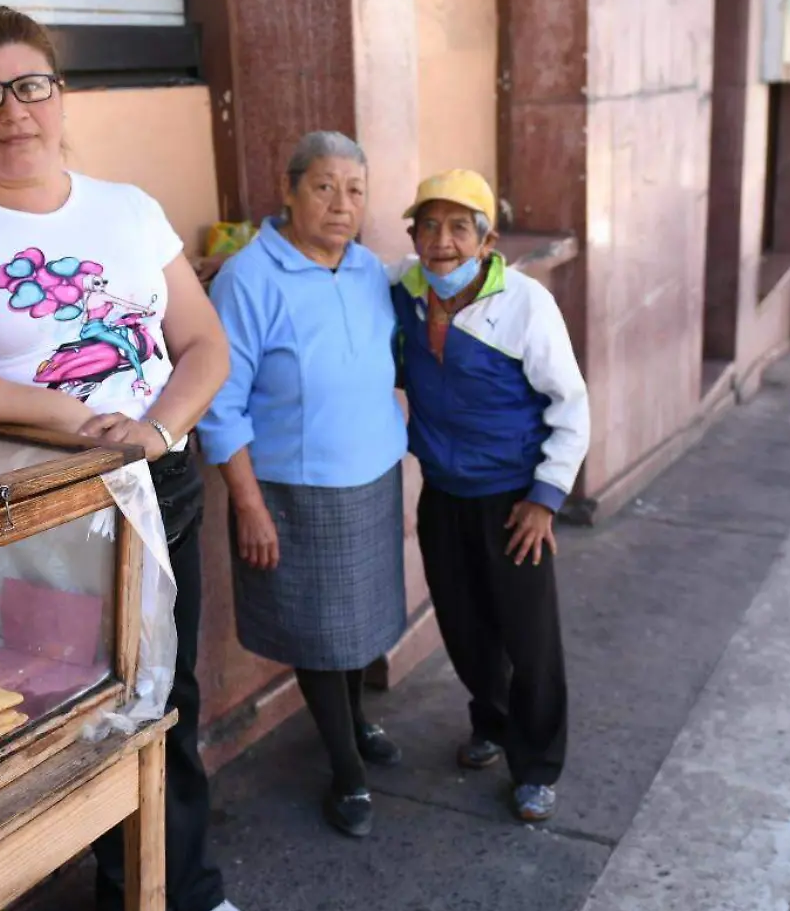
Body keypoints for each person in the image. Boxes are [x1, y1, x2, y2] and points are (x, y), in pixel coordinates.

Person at [0, 4, 254, 911]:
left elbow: (204, 343)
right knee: (71, 701)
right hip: (36, 506)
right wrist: (71, 420)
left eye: (30, 86)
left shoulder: (126, 208)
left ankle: (177, 883)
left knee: (171, 690)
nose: (13, 112)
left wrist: (158, 429)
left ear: (59, 93)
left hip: (155, 482)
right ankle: (123, 893)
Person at [198, 132, 409, 839]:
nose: (341, 204)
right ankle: (347, 772)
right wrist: (248, 505)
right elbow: (221, 404)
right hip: (296, 489)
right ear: (288, 192)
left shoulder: (369, 270)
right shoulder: (248, 278)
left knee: (357, 629)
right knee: (321, 635)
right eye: (324, 187)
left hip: (371, 476)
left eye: (355, 189)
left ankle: (354, 724)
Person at [390, 170, 590, 824]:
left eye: (458, 227)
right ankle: (491, 721)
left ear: (486, 239)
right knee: (466, 627)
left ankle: (536, 764)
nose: (441, 242)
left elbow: (571, 405)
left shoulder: (525, 304)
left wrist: (545, 498)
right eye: (429, 225)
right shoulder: (403, 292)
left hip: (513, 500)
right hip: (444, 493)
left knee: (529, 638)